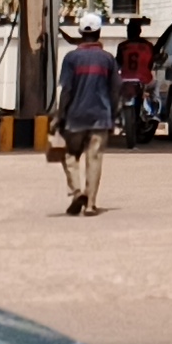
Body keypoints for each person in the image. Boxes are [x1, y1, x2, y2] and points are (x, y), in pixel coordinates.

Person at [51, 17, 121, 216]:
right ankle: (90, 204)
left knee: (69, 155)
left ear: (81, 34)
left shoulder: (71, 58)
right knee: (95, 158)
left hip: (76, 117)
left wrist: (59, 115)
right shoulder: (108, 59)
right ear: (99, 33)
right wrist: (113, 114)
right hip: (101, 116)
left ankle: (76, 192)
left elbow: (66, 90)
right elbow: (116, 89)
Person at [115, 15, 159, 143]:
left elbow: (119, 63)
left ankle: (116, 114)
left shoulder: (122, 46)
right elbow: (150, 64)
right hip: (144, 79)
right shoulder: (148, 45)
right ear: (140, 32)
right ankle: (154, 112)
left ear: (128, 32)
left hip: (125, 79)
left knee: (115, 94)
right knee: (155, 88)